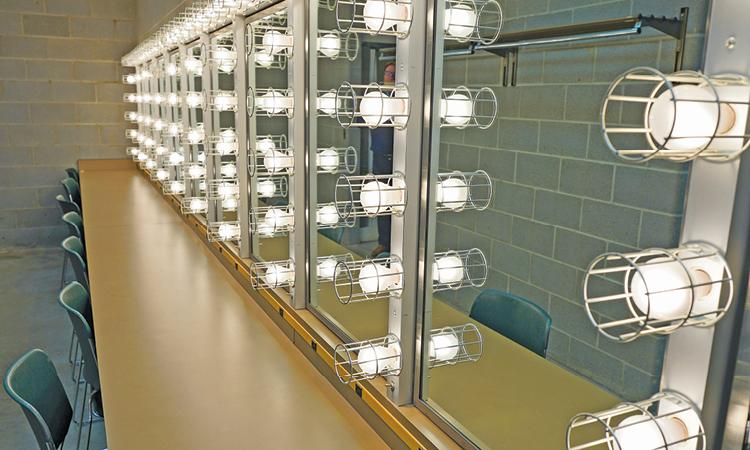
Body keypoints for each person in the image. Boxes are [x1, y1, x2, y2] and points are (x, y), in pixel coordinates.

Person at [369, 62, 396, 257]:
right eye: (387, 73)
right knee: (381, 200)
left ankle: (395, 244)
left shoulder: (401, 97)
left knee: (397, 203)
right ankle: (383, 243)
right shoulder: (376, 97)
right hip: (379, 156)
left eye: (393, 74)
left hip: (398, 158)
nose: (389, 77)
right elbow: (363, 119)